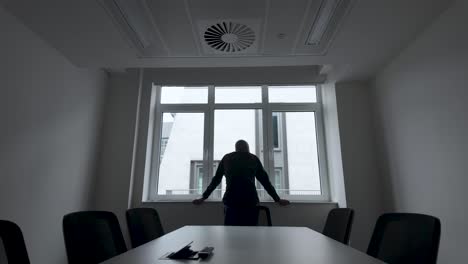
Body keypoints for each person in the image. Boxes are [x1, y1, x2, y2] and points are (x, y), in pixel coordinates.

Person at [193, 140, 290, 226]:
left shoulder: (227, 158)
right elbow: (265, 181)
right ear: (247, 148)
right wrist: (277, 199)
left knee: (231, 235)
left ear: (236, 149)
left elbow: (216, 179)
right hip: (250, 203)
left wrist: (204, 197)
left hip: (231, 203)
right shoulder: (253, 159)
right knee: (250, 235)